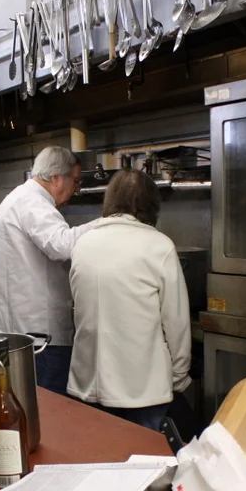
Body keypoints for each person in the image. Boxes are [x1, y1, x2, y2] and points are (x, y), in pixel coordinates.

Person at [67, 169, 192, 430]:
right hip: (142, 389)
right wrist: (178, 377)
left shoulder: (82, 244)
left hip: (89, 383)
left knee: (100, 460)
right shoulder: (159, 246)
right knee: (145, 464)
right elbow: (176, 322)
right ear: (151, 205)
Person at [0, 146, 97, 395]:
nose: (76, 190)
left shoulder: (17, 199)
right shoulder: (33, 202)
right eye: (75, 181)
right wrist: (108, 223)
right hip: (40, 341)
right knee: (48, 414)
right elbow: (62, 245)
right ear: (56, 177)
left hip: (16, 334)